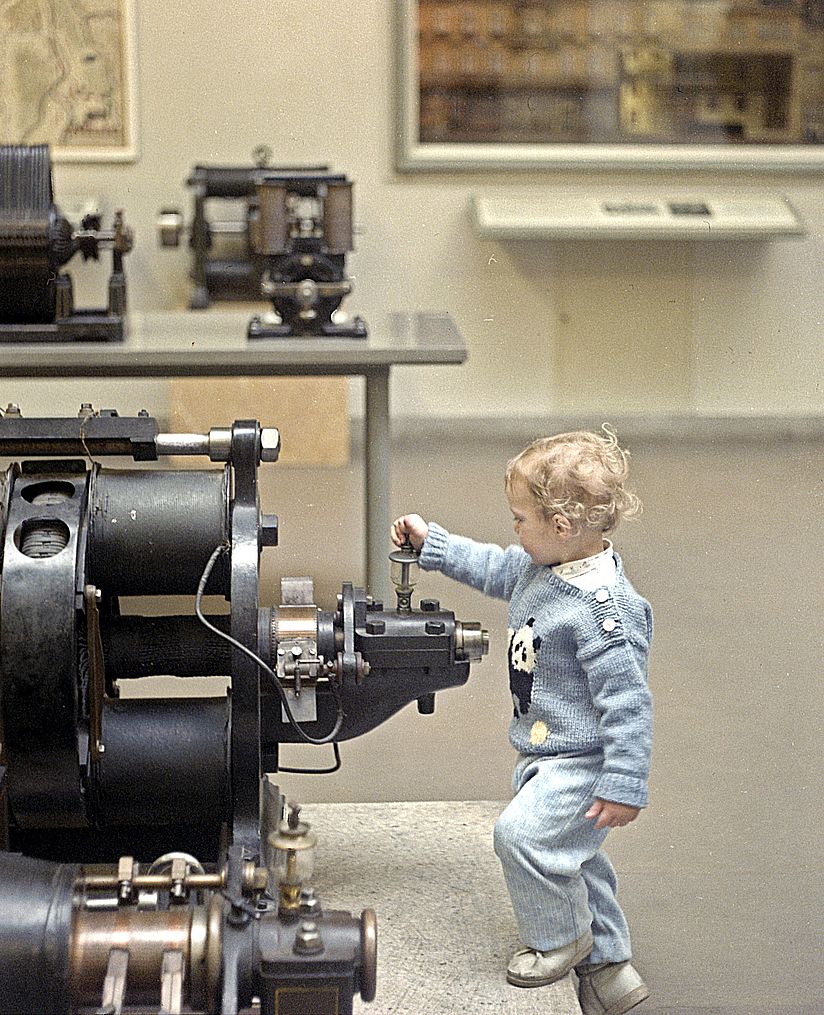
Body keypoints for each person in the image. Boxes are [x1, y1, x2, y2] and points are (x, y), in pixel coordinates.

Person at [391, 429, 653, 1015]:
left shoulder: (605, 614)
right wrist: (433, 543)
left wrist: (624, 783)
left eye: (519, 519)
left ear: (561, 527)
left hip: (583, 763)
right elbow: (494, 566)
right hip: (545, 752)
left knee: (523, 839)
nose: (514, 530)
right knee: (577, 858)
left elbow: (630, 706)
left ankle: (559, 941)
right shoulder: (546, 567)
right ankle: (611, 966)